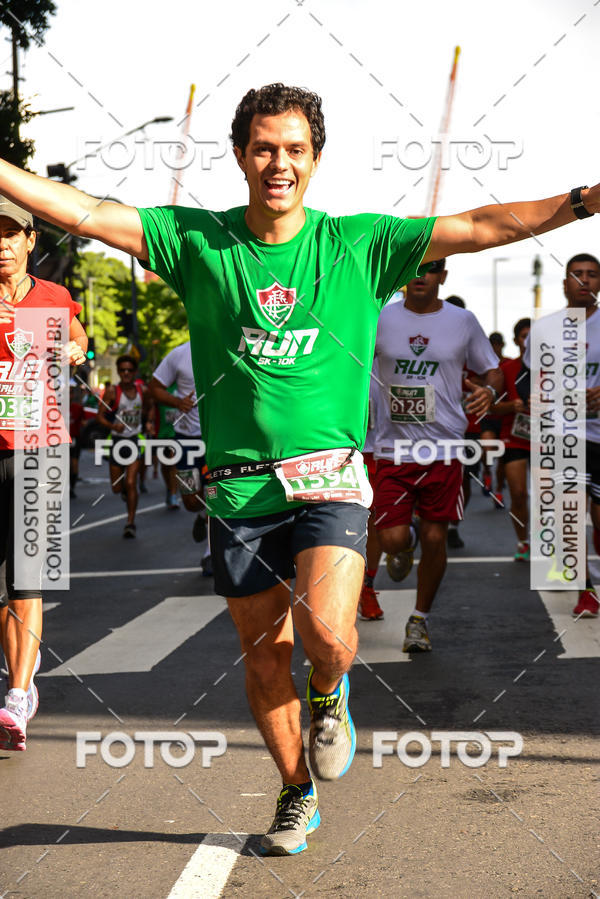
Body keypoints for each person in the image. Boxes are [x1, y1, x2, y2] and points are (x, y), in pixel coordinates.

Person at [1, 83, 599, 853]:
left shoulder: (361, 243)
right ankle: (295, 792)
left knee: (326, 631)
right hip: (238, 484)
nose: (278, 163)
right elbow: (80, 211)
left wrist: (583, 200)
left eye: (294, 149)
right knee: (262, 654)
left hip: (330, 474)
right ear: (241, 155)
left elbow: (483, 224)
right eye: (263, 148)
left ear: (315, 157)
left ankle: (331, 689)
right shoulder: (197, 240)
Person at [372, 259, 501, 651]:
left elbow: (491, 369)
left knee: (434, 536)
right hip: (391, 447)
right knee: (393, 539)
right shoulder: (378, 316)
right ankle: (402, 543)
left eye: (429, 268)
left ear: (443, 276)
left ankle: (419, 619)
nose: (419, 275)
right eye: (411, 267)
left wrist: (490, 391)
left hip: (444, 446)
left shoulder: (462, 321)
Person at [0, 196, 87, 750]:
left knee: (28, 581)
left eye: (10, 235)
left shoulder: (52, 297)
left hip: (39, 451)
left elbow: (76, 335)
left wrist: (77, 349)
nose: (1, 246)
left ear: (31, 240)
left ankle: (19, 693)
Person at [525, 254, 600, 617]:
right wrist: (533, 400)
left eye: (592, 275)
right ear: (564, 283)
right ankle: (585, 590)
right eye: (577, 275)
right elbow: (528, 377)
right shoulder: (544, 328)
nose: (584, 281)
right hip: (564, 434)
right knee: (570, 510)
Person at [150, 341, 212, 575]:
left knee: (215, 493)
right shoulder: (179, 354)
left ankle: (210, 553)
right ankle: (202, 515)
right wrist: (177, 402)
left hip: (215, 438)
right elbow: (154, 387)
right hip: (186, 440)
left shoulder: (224, 346)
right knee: (190, 500)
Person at [96, 355, 153, 539]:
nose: (126, 373)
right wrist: (113, 426)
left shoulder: (142, 390)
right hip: (117, 441)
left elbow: (151, 406)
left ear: (134, 372)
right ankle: (125, 495)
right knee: (116, 487)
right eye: (123, 370)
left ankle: (130, 523)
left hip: (134, 440)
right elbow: (100, 416)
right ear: (119, 372)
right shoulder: (113, 391)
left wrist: (150, 421)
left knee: (131, 482)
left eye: (129, 370)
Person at [494, 318, 531, 561]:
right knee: (518, 493)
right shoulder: (506, 369)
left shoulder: (554, 367)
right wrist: (511, 405)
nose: (529, 341)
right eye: (524, 336)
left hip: (547, 439)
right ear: (517, 340)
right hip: (514, 438)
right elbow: (491, 407)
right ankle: (523, 542)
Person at [480, 331, 508, 501]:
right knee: (486, 449)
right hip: (488, 417)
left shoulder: (510, 364)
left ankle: (498, 491)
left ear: (502, 345)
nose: (495, 349)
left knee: (504, 459)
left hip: (505, 417)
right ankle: (487, 472)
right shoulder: (482, 365)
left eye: (497, 345)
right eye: (492, 346)